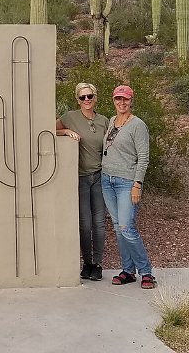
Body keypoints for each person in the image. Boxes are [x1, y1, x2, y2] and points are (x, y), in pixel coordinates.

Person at [101, 84, 156, 289]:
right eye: (118, 99)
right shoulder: (112, 121)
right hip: (106, 179)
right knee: (118, 228)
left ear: (131, 101)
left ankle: (146, 272)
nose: (121, 103)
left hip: (126, 182)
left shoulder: (138, 125)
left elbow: (143, 158)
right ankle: (127, 271)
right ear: (113, 100)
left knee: (127, 227)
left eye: (125, 99)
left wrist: (137, 184)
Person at [56, 82, 108, 281]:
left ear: (95, 98)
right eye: (82, 97)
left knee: (99, 223)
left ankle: (98, 264)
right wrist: (66, 132)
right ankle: (87, 263)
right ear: (77, 99)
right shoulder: (70, 117)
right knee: (85, 223)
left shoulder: (104, 121)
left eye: (89, 96)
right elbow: (48, 129)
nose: (86, 100)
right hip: (80, 177)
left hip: (99, 176)